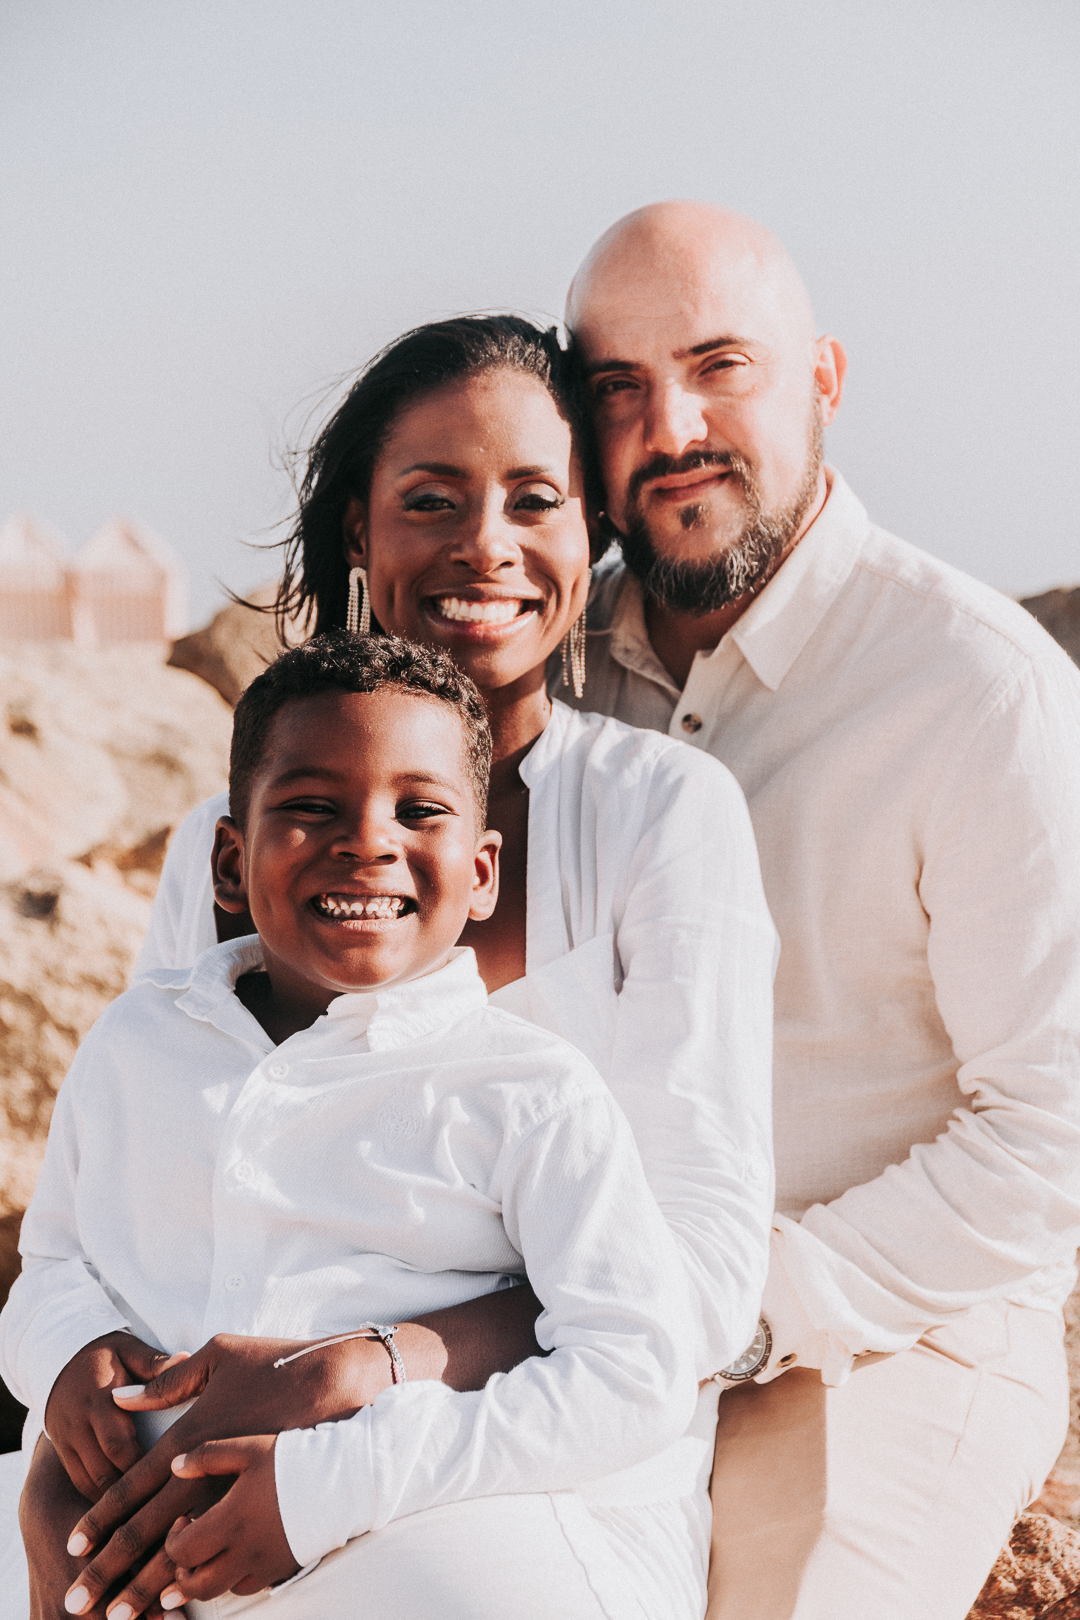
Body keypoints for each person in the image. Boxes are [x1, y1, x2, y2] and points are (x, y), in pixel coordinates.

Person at [6, 317, 776, 1619]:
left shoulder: (664, 816)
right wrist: (67, 1452)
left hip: (511, 1464)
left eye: (534, 499)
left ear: (593, 532)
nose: (485, 544)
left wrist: (357, 1370)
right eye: (430, 500)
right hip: (197, 1458)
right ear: (357, 534)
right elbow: (131, 1225)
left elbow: (684, 1289)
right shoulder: (217, 867)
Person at [561, 199, 1080, 1620]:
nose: (670, 429)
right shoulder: (546, 669)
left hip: (883, 1333)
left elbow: (1051, 1136)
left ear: (825, 379)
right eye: (618, 387)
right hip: (571, 1315)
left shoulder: (978, 692)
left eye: (718, 366)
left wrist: (738, 1314)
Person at [0, 633, 704, 1620]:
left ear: (483, 873)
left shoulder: (527, 1089)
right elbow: (55, 1260)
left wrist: (321, 1491)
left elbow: (634, 1369)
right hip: (133, 1540)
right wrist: (66, 1357)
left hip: (399, 1527)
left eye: (420, 811)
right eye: (311, 807)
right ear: (228, 861)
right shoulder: (138, 1040)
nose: (368, 841)